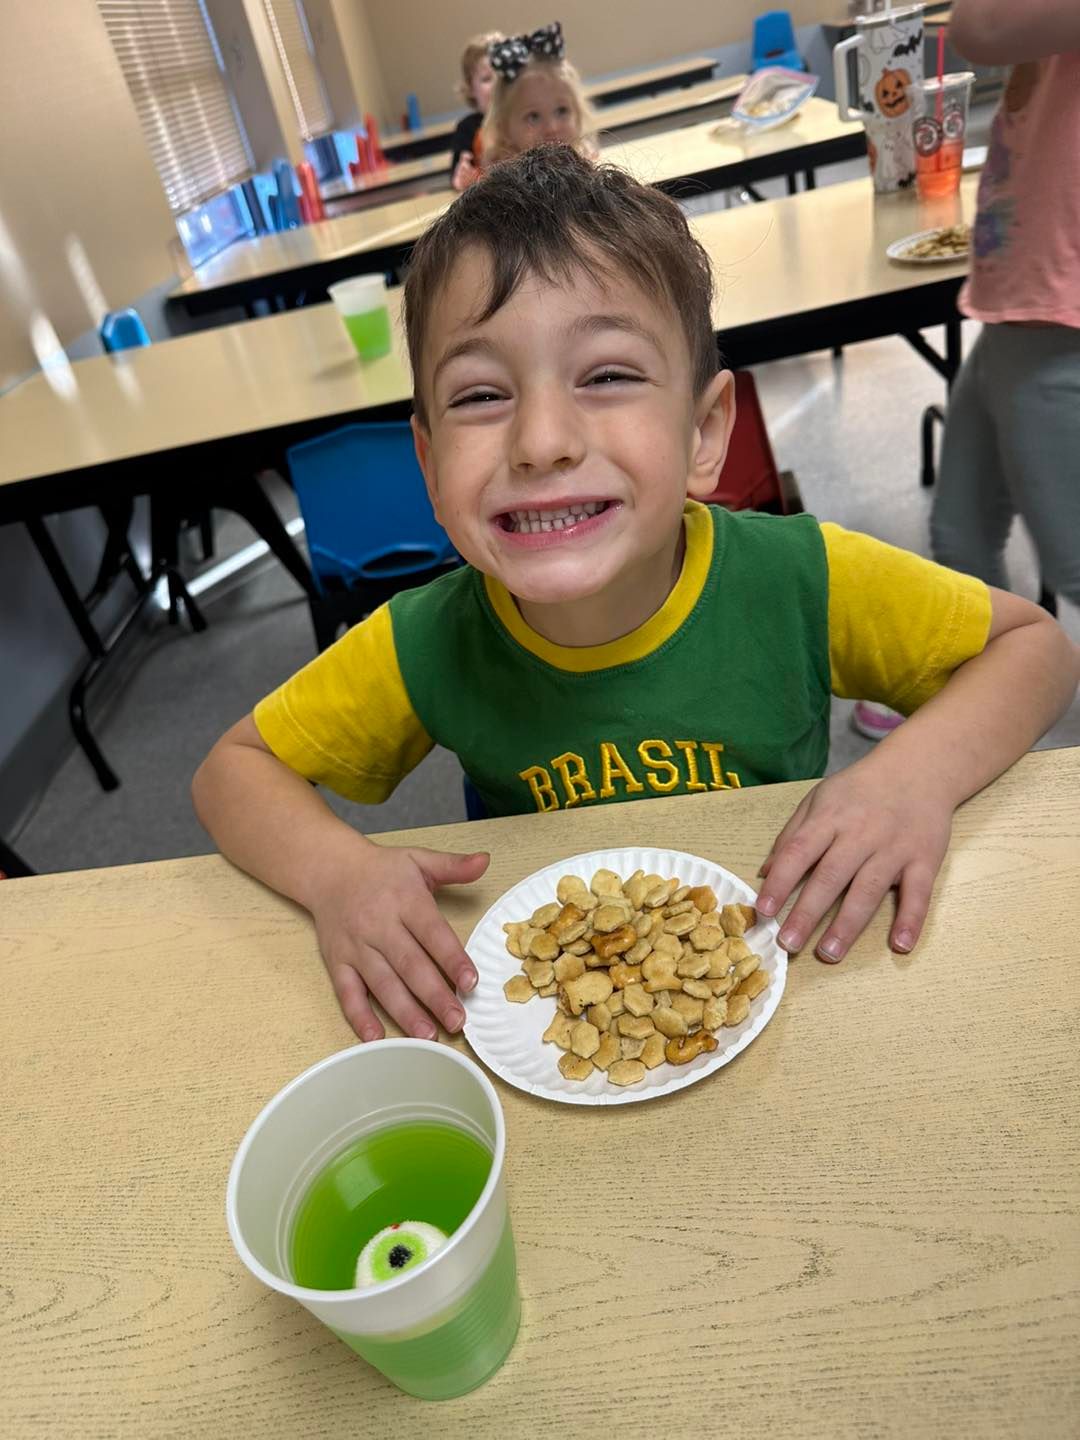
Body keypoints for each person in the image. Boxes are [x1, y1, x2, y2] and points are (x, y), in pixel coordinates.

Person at [192, 147, 1079, 1045]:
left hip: (794, 983)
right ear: (426, 463)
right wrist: (341, 874)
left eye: (607, 376)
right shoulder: (429, 638)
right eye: (481, 393)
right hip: (547, 1017)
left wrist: (910, 778)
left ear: (704, 432)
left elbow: (1036, 649)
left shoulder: (799, 578)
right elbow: (231, 771)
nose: (541, 441)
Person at [930, 0, 1080, 610]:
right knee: (960, 536)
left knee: (1074, 561)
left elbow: (980, 28)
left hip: (1055, 321)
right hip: (1017, 313)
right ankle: (994, 686)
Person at [479, 21, 596, 169]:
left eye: (562, 111)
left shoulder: (585, 162)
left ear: (578, 114)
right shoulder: (504, 183)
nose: (552, 128)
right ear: (504, 128)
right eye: (533, 117)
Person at [450, 32, 501, 193]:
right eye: (486, 79)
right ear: (471, 88)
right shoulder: (467, 128)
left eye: (502, 75)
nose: (497, 85)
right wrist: (463, 177)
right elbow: (457, 176)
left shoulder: (521, 120)